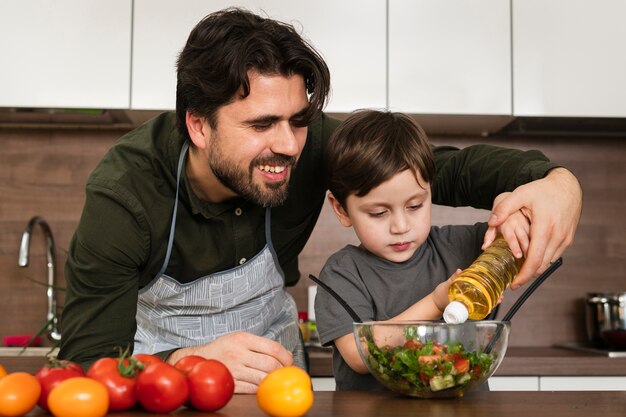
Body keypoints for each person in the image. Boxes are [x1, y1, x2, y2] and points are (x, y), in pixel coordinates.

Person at [58, 8, 582, 393]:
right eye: (262, 124)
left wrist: (556, 181)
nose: (288, 145)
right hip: (167, 385)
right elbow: (86, 362)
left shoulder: (311, 146)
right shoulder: (124, 194)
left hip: (280, 378)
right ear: (198, 124)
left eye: (298, 121)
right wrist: (187, 360)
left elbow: (446, 169)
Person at [314, 109, 523, 390]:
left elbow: (530, 238)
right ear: (341, 209)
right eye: (378, 212)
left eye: (415, 206)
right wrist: (436, 304)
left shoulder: (461, 245)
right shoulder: (342, 273)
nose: (400, 226)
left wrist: (516, 212)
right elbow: (358, 353)